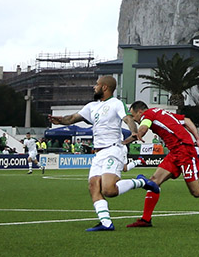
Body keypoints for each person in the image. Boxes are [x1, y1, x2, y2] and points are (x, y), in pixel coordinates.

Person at [49, 75, 158, 231]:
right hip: (98, 153)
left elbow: (128, 119)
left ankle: (142, 182)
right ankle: (106, 223)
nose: (95, 87)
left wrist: (134, 132)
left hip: (113, 149)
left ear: (105, 87)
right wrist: (60, 120)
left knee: (109, 190)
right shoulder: (92, 106)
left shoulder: (116, 103)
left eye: (97, 85)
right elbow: (73, 118)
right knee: (93, 186)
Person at [123, 101, 199, 228]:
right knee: (154, 182)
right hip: (174, 152)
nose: (135, 119)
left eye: (134, 116)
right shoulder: (161, 112)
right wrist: (197, 137)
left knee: (197, 192)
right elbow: (187, 120)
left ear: (140, 112)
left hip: (184, 150)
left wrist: (137, 134)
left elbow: (144, 127)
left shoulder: (147, 115)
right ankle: (145, 219)